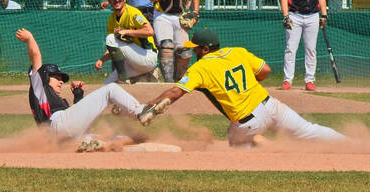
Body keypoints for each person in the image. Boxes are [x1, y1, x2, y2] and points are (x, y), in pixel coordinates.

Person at [143, 27, 347, 148]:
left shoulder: (201, 67)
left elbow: (176, 92)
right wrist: (252, 82)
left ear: (205, 49)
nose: (193, 50)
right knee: (309, 130)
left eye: (195, 48)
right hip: (271, 106)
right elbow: (265, 69)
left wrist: (151, 104)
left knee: (234, 140)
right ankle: (350, 144)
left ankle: (266, 156)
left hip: (249, 122)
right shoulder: (237, 51)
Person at [16, 28, 166, 152]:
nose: (61, 81)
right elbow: (36, 56)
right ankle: (140, 111)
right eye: (56, 77)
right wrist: (30, 39)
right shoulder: (39, 86)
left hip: (64, 137)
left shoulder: (56, 101)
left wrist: (78, 96)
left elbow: (75, 124)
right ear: (44, 77)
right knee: (110, 89)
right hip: (58, 125)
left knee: (107, 138)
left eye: (61, 78)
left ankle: (104, 146)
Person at [95, 0, 158, 84]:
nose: (117, 0)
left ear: (125, 0)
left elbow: (150, 31)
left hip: (147, 56)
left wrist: (127, 31)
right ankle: (128, 75)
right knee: (107, 84)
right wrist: (101, 60)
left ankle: (123, 75)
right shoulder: (111, 20)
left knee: (111, 38)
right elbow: (113, 46)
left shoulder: (134, 13)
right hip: (133, 63)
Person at [280, 0, 328, 91]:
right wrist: (286, 16)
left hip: (312, 15)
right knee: (290, 49)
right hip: (294, 15)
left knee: (311, 49)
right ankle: (287, 80)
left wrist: (324, 15)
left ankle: (309, 81)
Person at [153, 0, 200, 82]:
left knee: (185, 53)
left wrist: (195, 12)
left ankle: (179, 80)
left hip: (180, 15)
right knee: (166, 47)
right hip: (162, 15)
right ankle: (168, 82)